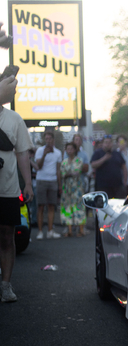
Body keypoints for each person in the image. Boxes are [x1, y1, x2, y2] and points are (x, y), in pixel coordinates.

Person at [0, 77, 33, 302]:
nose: (14, 90)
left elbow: (22, 153)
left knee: (6, 236)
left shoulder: (14, 118)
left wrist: (28, 183)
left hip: (8, 188)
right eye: (10, 86)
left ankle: (5, 285)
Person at [34, 131, 62, 239]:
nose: (48, 141)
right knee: (40, 206)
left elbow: (58, 170)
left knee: (51, 206)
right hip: (41, 180)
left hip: (53, 180)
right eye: (46, 139)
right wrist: (44, 154)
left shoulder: (58, 153)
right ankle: (40, 231)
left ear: (53, 140)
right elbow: (38, 166)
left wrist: (59, 185)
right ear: (44, 140)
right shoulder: (40, 151)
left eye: (50, 138)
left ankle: (50, 230)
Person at [60, 142, 87, 237]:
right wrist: (69, 174)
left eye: (71, 149)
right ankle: (69, 230)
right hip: (67, 188)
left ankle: (81, 230)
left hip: (77, 188)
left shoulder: (79, 160)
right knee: (67, 207)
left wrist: (68, 174)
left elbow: (77, 172)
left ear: (75, 150)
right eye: (68, 149)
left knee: (79, 207)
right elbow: (62, 174)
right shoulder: (64, 161)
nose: (69, 151)